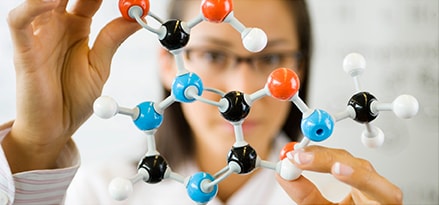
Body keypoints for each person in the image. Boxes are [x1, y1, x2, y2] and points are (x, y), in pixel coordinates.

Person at [0, 0, 403, 204]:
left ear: (302, 66)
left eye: (272, 57)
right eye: (213, 55)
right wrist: (37, 143)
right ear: (168, 63)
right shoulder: (103, 192)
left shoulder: (340, 195)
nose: (242, 89)